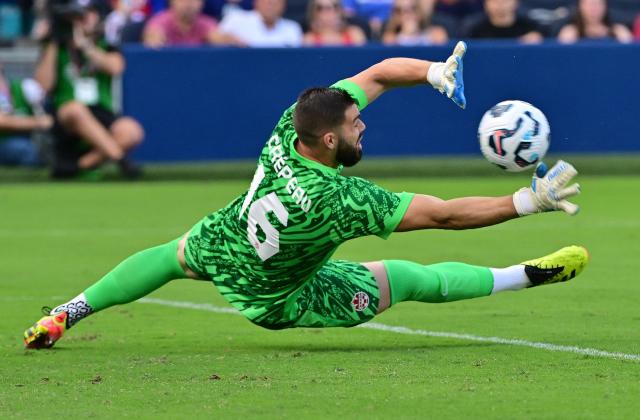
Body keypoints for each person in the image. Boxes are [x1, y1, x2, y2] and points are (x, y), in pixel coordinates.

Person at [23, 42, 588, 349]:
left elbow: (379, 76)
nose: (361, 126)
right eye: (353, 125)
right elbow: (442, 216)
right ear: (326, 139)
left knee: (168, 257)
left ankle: (66, 313)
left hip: (232, 239)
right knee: (409, 278)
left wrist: (434, 71)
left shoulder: (287, 130)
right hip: (282, 295)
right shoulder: (338, 199)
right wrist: (525, 202)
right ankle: (523, 275)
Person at [35, 0, 144, 179]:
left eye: (87, 14)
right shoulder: (57, 48)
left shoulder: (105, 45)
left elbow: (116, 68)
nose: (82, 19)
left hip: (100, 112)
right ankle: (122, 160)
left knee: (131, 130)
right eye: (77, 15)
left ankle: (78, 166)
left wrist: (86, 46)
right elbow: (43, 85)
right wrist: (53, 41)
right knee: (76, 110)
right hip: (68, 118)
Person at [0, 70, 52, 166]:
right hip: (5, 141)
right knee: (25, 150)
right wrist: (39, 122)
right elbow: (2, 122)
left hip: (27, 137)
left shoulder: (23, 86)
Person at [143, 0, 242, 47]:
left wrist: (228, 40)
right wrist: (154, 39)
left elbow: (217, 37)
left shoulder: (206, 23)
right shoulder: (160, 21)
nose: (188, 4)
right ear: (172, 2)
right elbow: (153, 35)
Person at [218, 0, 303, 47]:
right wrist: (230, 39)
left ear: (283, 5)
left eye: (276, 2)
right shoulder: (236, 18)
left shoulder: (292, 28)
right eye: (267, 1)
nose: (271, 5)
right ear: (256, 2)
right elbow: (214, 38)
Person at [466, 0, 543, 44]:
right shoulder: (474, 29)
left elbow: (548, 37)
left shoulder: (529, 26)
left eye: (504, 1)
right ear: (486, 3)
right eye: (494, 1)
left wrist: (538, 38)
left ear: (516, 2)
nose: (500, 4)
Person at [557, 0, 632, 44]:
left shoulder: (618, 31)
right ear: (580, 6)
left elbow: (628, 54)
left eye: (598, 4)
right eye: (590, 4)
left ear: (605, 6)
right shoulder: (570, 32)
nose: (594, 9)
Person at [382, 0, 448, 46]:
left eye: (412, 8)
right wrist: (405, 35)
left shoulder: (436, 34)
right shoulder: (390, 38)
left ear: (419, 11)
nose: (406, 15)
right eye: (399, 11)